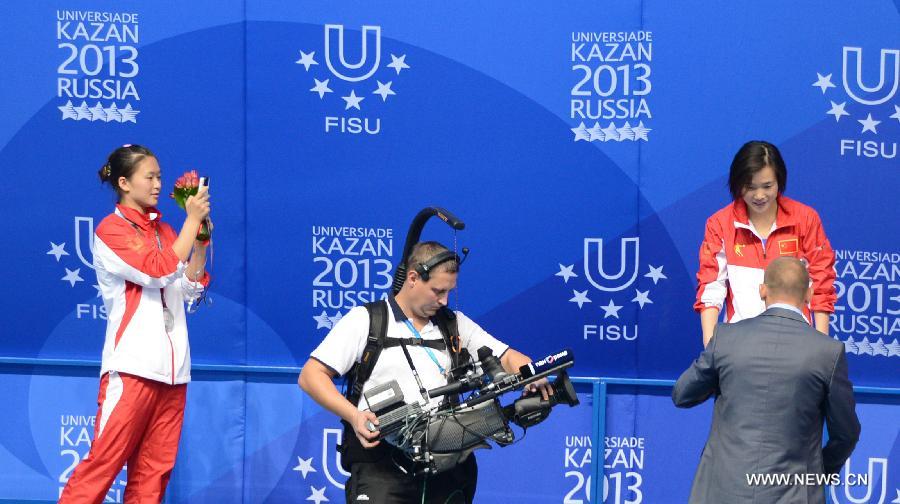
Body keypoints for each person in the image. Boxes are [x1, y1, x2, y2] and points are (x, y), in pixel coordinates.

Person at [299, 241, 550, 504]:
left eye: (449, 292)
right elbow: (311, 376)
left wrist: (532, 373)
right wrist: (354, 416)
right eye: (437, 291)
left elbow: (508, 357)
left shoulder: (455, 324)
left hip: (448, 466)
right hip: (381, 465)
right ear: (413, 278)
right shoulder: (365, 320)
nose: (444, 300)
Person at [60, 144, 211, 503]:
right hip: (131, 369)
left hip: (173, 375)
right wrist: (191, 221)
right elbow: (157, 271)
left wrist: (201, 239)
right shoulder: (111, 230)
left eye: (160, 176)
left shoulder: (166, 231)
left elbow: (189, 289)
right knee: (103, 465)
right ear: (125, 183)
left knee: (152, 478)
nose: (158, 184)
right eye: (150, 177)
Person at [673, 257, 860, 504]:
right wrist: (815, 473)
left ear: (762, 290)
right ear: (809, 294)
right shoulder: (828, 352)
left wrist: (721, 373)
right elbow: (846, 433)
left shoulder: (726, 337)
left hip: (721, 491)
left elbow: (682, 394)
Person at [695, 140, 836, 346]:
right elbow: (711, 288)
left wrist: (821, 348)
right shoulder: (720, 224)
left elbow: (821, 284)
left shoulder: (805, 219)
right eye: (750, 187)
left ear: (779, 181)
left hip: (796, 345)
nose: (760, 195)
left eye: (768, 186)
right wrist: (710, 348)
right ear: (737, 183)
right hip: (739, 347)